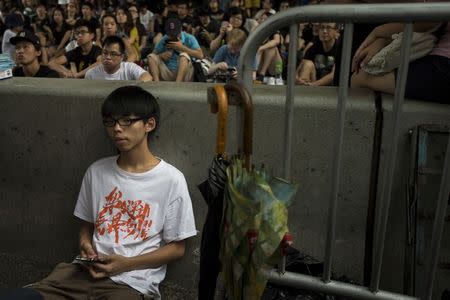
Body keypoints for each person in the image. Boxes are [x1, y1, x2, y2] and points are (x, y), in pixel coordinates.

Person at [14, 85, 197, 300]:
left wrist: (125, 264)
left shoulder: (171, 179)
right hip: (79, 275)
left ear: (149, 124)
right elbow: (87, 225)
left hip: (131, 282)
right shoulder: (97, 171)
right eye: (110, 122)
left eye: (127, 121)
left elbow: (177, 248)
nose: (117, 129)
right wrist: (85, 245)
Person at [351, 21, 450, 104]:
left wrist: (378, 32)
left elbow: (431, 20)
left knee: (360, 78)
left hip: (444, 65)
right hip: (438, 58)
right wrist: (383, 39)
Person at [147, 17, 203, 82]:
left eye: (175, 33)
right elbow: (153, 54)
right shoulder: (165, 38)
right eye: (171, 34)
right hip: (167, 71)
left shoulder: (189, 38)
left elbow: (200, 55)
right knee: (151, 57)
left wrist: (182, 48)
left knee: (184, 56)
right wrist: (161, 56)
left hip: (185, 73)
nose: (173, 36)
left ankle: (177, 84)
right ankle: (157, 83)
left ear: (181, 29)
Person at [85, 35, 152, 81]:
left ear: (122, 57)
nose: (108, 57)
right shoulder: (91, 74)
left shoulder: (129, 68)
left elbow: (147, 76)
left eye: (113, 54)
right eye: (105, 53)